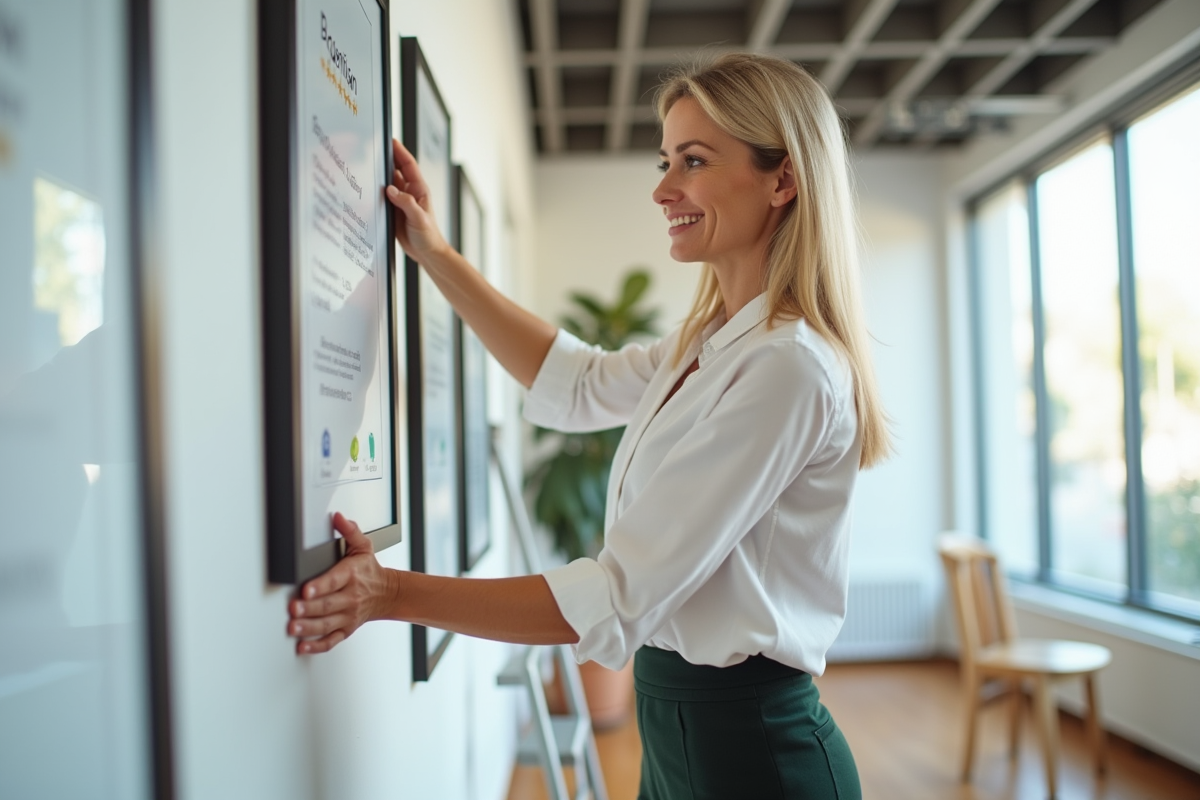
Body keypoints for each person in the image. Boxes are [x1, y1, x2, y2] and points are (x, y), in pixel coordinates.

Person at [287, 53, 890, 800]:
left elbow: (617, 593)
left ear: (783, 179)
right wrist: (434, 255)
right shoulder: (705, 345)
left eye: (693, 161)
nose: (663, 188)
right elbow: (572, 383)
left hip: (754, 752)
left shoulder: (788, 368)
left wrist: (390, 593)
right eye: (665, 159)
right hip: (676, 731)